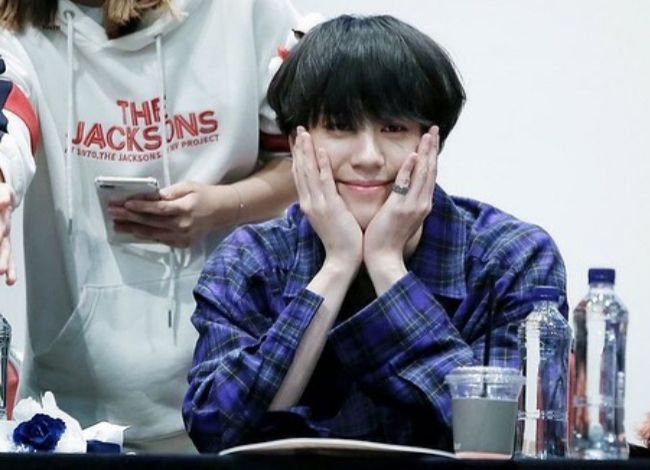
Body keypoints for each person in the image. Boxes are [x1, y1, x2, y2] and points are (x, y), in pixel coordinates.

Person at [183, 14, 567, 453]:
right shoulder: (250, 259)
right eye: (340, 126)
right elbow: (214, 429)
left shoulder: (513, 258)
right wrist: (337, 266)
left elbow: (519, 439)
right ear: (296, 142)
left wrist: (387, 266)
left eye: (393, 128)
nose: (368, 157)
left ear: (432, 141)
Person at [0, 0, 303, 452]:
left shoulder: (246, 11)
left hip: (237, 393)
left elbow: (310, 154)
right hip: (72, 417)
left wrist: (224, 206)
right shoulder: (18, 21)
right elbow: (8, 119)